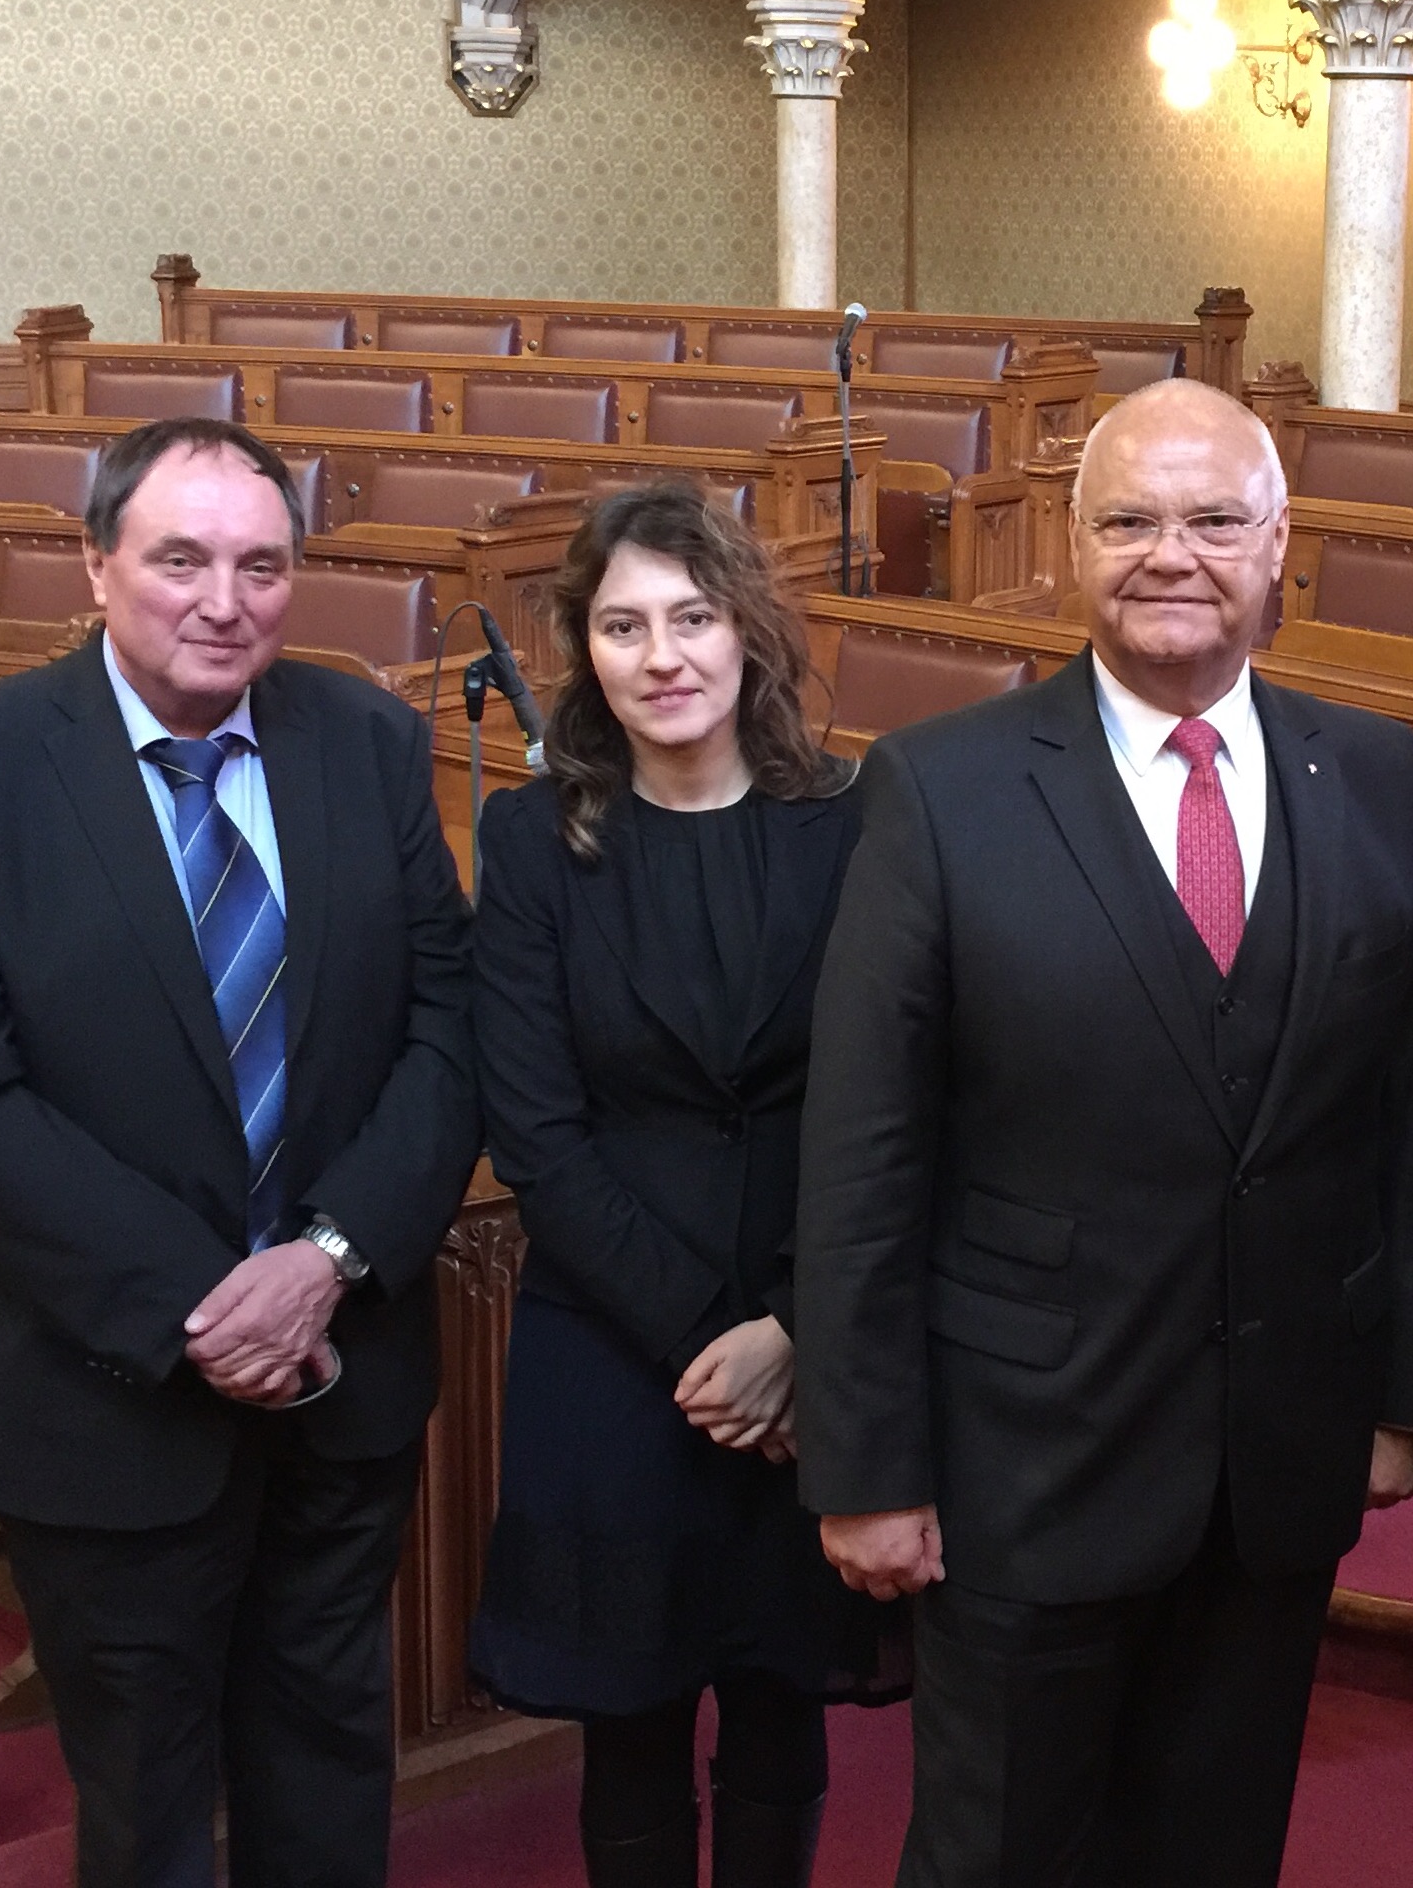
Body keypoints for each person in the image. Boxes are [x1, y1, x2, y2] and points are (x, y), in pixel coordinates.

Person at [794, 378, 1413, 1888]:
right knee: (999, 1855)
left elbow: (1412, 1113)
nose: (1173, 553)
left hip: (1280, 1455)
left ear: (1278, 542)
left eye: (1214, 519)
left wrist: (1407, 1394)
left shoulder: (1366, 774)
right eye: (1131, 520)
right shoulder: (942, 788)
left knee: (1215, 1851)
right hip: (1024, 1457)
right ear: (1073, 547)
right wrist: (867, 1461)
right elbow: (863, 1154)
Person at [0, 417, 481, 1888]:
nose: (224, 600)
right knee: (141, 1790)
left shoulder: (369, 739)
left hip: (342, 1367)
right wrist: (215, 1306)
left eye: (262, 565)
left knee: (331, 1741)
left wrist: (323, 1267)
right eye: (181, 559)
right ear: (95, 569)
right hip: (103, 1388)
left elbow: (449, 1031)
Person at [467, 483, 895, 1888]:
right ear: (583, 653)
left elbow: (888, 1105)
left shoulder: (856, 821)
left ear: (747, 632)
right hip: (613, 1342)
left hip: (811, 1319)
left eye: (692, 617)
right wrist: (710, 1347)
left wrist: (791, 1333)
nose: (662, 656)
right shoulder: (539, 842)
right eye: (622, 625)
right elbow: (535, 1133)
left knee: (783, 1709)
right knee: (630, 1730)